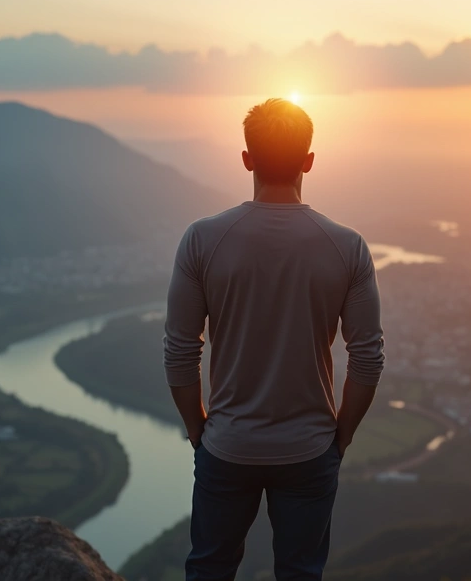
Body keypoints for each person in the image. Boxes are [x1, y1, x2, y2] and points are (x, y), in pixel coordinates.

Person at [164, 98, 385, 581]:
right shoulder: (347, 246)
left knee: (210, 569)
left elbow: (180, 351)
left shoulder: (202, 239)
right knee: (300, 572)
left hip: (227, 445)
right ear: (309, 160)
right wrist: (341, 436)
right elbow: (367, 359)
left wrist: (199, 431)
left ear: (247, 159)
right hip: (310, 448)